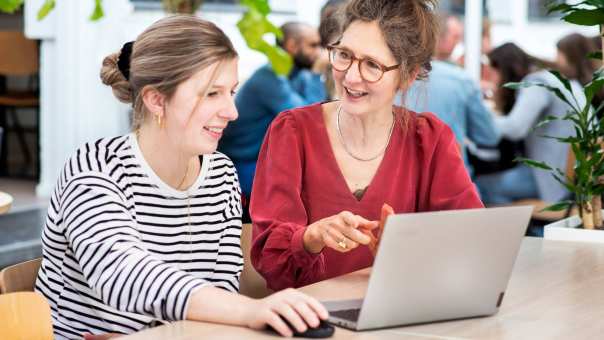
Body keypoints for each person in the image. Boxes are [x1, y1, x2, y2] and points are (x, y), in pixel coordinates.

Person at [34, 15, 327, 339]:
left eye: (232, 91)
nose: (233, 112)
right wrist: (251, 310)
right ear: (156, 99)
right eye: (212, 94)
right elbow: (121, 275)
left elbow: (221, 293)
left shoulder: (220, 173)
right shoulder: (93, 169)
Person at [250, 0, 483, 291]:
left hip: (403, 321)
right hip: (313, 324)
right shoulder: (292, 132)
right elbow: (271, 265)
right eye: (344, 54)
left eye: (372, 64)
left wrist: (412, 252)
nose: (350, 76)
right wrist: (310, 237)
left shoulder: (429, 139)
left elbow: (471, 241)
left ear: (408, 76)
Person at [218, 21, 328, 200]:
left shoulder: (295, 74)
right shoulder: (270, 76)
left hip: (262, 159)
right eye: (313, 45)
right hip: (240, 163)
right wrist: (316, 75)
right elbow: (309, 119)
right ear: (292, 46)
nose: (320, 53)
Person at [475, 37, 589, 204]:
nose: (493, 80)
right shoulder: (558, 79)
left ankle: (527, 228)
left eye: (493, 73)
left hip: (553, 178)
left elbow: (515, 128)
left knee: (481, 186)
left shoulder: (536, 83)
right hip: (574, 176)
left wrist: (480, 117)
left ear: (504, 70)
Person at [405, 12, 501, 177]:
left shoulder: (391, 77)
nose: (459, 42)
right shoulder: (461, 79)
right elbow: (488, 136)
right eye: (455, 37)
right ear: (439, 38)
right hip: (451, 180)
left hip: (401, 178)